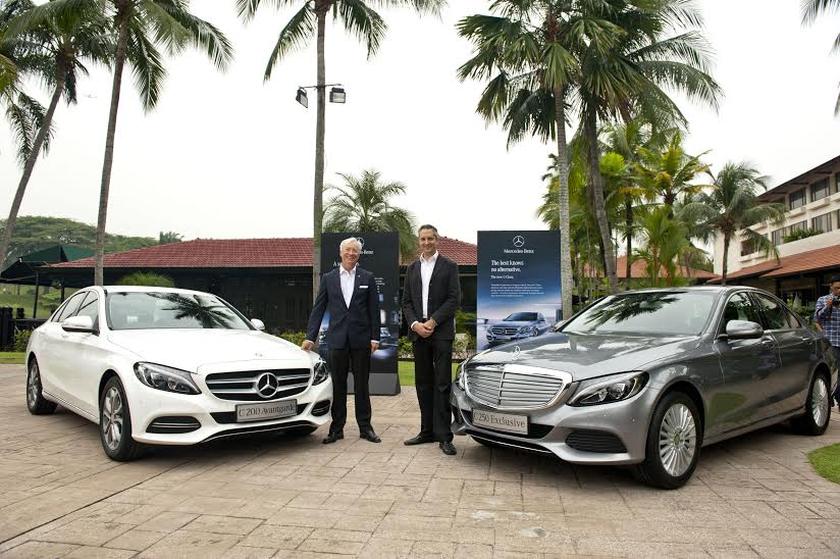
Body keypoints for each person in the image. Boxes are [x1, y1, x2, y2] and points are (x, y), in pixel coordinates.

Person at [302, 237, 382, 444]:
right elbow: (319, 308)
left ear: (359, 254)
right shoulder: (329, 278)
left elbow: (374, 310)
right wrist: (310, 337)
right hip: (337, 340)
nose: (351, 253)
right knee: (338, 385)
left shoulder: (368, 277)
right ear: (341, 253)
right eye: (348, 250)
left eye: (355, 251)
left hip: (361, 341)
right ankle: (337, 429)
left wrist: (375, 337)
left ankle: (366, 428)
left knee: (362, 386)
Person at [401, 224, 461, 455]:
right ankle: (426, 431)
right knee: (423, 384)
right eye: (423, 239)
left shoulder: (449, 266)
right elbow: (406, 302)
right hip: (419, 333)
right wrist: (415, 324)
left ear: (437, 240)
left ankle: (445, 436)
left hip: (441, 332)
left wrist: (433, 321)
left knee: (442, 384)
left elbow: (454, 299)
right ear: (419, 241)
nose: (426, 242)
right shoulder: (413, 268)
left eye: (430, 239)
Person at [814, 275, 840, 409]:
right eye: (837, 288)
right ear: (831, 287)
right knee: (832, 371)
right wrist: (828, 306)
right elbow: (817, 318)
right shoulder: (822, 300)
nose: (839, 291)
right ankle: (831, 396)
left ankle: (835, 396)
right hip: (831, 341)